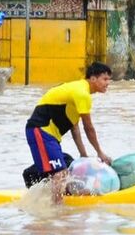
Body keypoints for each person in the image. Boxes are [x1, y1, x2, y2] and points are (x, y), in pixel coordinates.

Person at [25, 62, 113, 200]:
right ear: (93, 79)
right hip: (41, 131)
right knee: (61, 173)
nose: (108, 83)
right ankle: (57, 211)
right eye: (105, 79)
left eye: (109, 79)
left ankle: (45, 201)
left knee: (59, 173)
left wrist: (84, 155)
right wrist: (100, 152)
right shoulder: (82, 93)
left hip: (48, 135)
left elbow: (75, 127)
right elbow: (89, 128)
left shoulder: (77, 88)